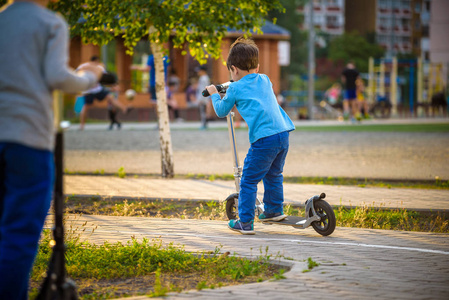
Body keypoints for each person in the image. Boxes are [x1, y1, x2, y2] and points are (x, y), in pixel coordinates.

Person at [0, 1, 102, 299]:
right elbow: (57, 76)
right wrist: (90, 76)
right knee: (19, 231)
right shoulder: (50, 23)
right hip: (28, 138)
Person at [205, 37, 295, 235]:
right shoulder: (264, 79)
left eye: (231, 72)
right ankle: (273, 210)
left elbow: (221, 110)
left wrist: (213, 93)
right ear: (258, 66)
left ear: (234, 70)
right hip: (283, 134)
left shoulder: (235, 87)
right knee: (274, 174)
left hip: (264, 139)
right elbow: (251, 86)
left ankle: (245, 222)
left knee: (248, 180)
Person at [77, 56, 129, 130]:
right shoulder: (91, 67)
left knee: (110, 97)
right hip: (89, 90)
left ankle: (124, 108)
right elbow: (77, 74)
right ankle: (82, 125)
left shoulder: (92, 67)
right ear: (95, 61)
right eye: (97, 62)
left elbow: (107, 79)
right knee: (86, 106)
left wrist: (114, 86)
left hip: (95, 89)